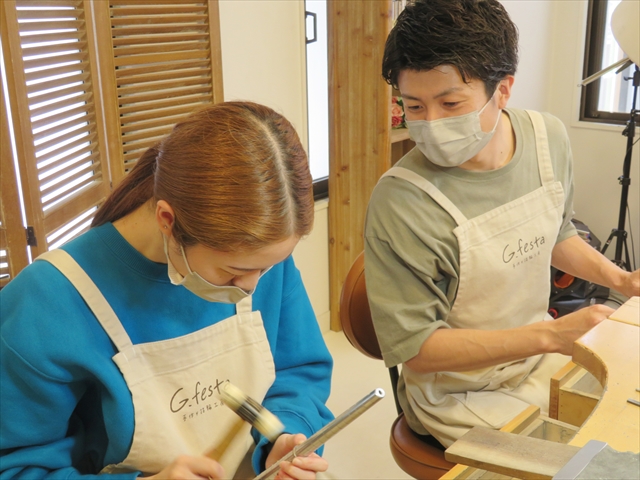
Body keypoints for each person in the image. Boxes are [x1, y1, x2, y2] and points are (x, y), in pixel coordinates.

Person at [1, 102, 334, 479]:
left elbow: (299, 370)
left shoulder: (255, 255)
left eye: (268, 267)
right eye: (234, 272)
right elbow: (16, 466)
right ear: (168, 221)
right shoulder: (43, 305)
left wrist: (285, 437)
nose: (253, 287)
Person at [364, 0, 640, 449]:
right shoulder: (402, 202)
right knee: (587, 459)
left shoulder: (546, 139)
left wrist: (621, 280)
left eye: (450, 102)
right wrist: (552, 334)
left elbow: (557, 235)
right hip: (457, 392)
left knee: (624, 424)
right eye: (413, 106)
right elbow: (415, 349)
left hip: (537, 360)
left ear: (504, 89)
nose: (431, 124)